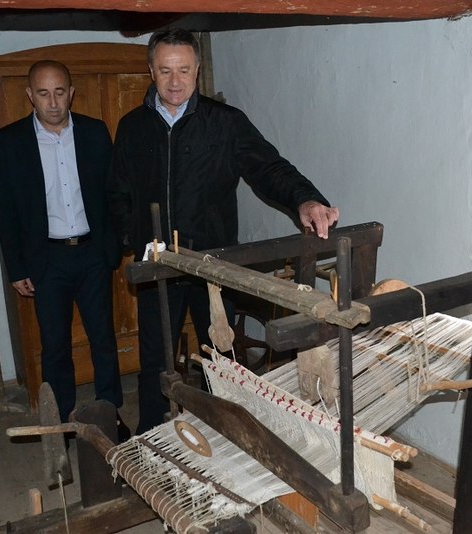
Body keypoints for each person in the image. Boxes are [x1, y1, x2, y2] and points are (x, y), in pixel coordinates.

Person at [110, 29, 340, 434]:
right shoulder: (133, 127)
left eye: (184, 70)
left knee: (221, 356)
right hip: (157, 266)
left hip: (214, 266)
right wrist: (132, 238)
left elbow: (269, 168)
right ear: (151, 71)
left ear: (197, 70)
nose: (175, 81)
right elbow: (119, 190)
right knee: (155, 362)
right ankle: (150, 441)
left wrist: (305, 200)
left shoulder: (225, 123)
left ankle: (227, 437)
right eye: (165, 71)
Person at [0, 60, 128, 439]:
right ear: (30, 95)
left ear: (71, 93)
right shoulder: (10, 141)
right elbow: (6, 209)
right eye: (43, 93)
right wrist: (16, 268)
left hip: (92, 254)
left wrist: (114, 244)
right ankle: (60, 425)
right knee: (55, 347)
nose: (52, 102)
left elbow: (113, 192)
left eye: (59, 92)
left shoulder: (94, 132)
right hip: (46, 259)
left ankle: (111, 416)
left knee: (103, 340)